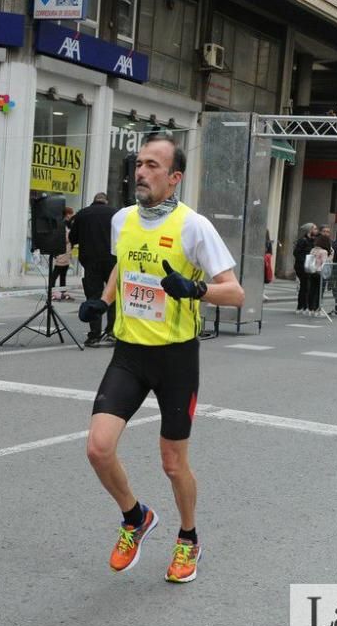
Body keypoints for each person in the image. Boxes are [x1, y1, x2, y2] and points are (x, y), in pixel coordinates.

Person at [77, 134, 244, 583]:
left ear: (174, 178)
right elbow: (123, 264)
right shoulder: (123, 219)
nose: (141, 172)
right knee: (98, 448)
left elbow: (237, 291)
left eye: (153, 166)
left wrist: (197, 289)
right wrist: (102, 299)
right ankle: (136, 518)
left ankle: (188, 537)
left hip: (175, 358)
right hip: (130, 352)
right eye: (139, 164)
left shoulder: (195, 227)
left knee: (173, 463)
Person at [69, 192, 117, 347]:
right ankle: (112, 332)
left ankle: (94, 335)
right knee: (113, 296)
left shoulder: (83, 214)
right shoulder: (115, 214)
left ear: (93, 201)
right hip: (112, 261)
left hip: (91, 262)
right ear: (106, 201)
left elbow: (72, 238)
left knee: (93, 296)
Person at [49, 206, 74, 301]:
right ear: (67, 214)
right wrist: (70, 238)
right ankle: (51, 291)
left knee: (63, 273)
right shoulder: (62, 225)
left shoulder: (68, 225)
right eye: (71, 214)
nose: (72, 216)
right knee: (56, 272)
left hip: (67, 253)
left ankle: (63, 292)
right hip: (61, 252)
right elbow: (63, 238)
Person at [293, 223, 317, 315]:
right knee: (304, 286)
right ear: (309, 230)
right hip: (302, 267)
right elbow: (296, 253)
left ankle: (305, 306)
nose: (316, 230)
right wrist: (305, 261)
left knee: (307, 286)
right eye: (314, 229)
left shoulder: (313, 241)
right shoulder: (302, 241)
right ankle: (301, 306)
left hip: (309, 267)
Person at [307, 233, 333, 317]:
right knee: (319, 292)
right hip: (320, 273)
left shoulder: (313, 250)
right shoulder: (324, 252)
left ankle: (310, 309)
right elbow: (325, 263)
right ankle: (317, 309)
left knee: (312, 290)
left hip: (312, 271)